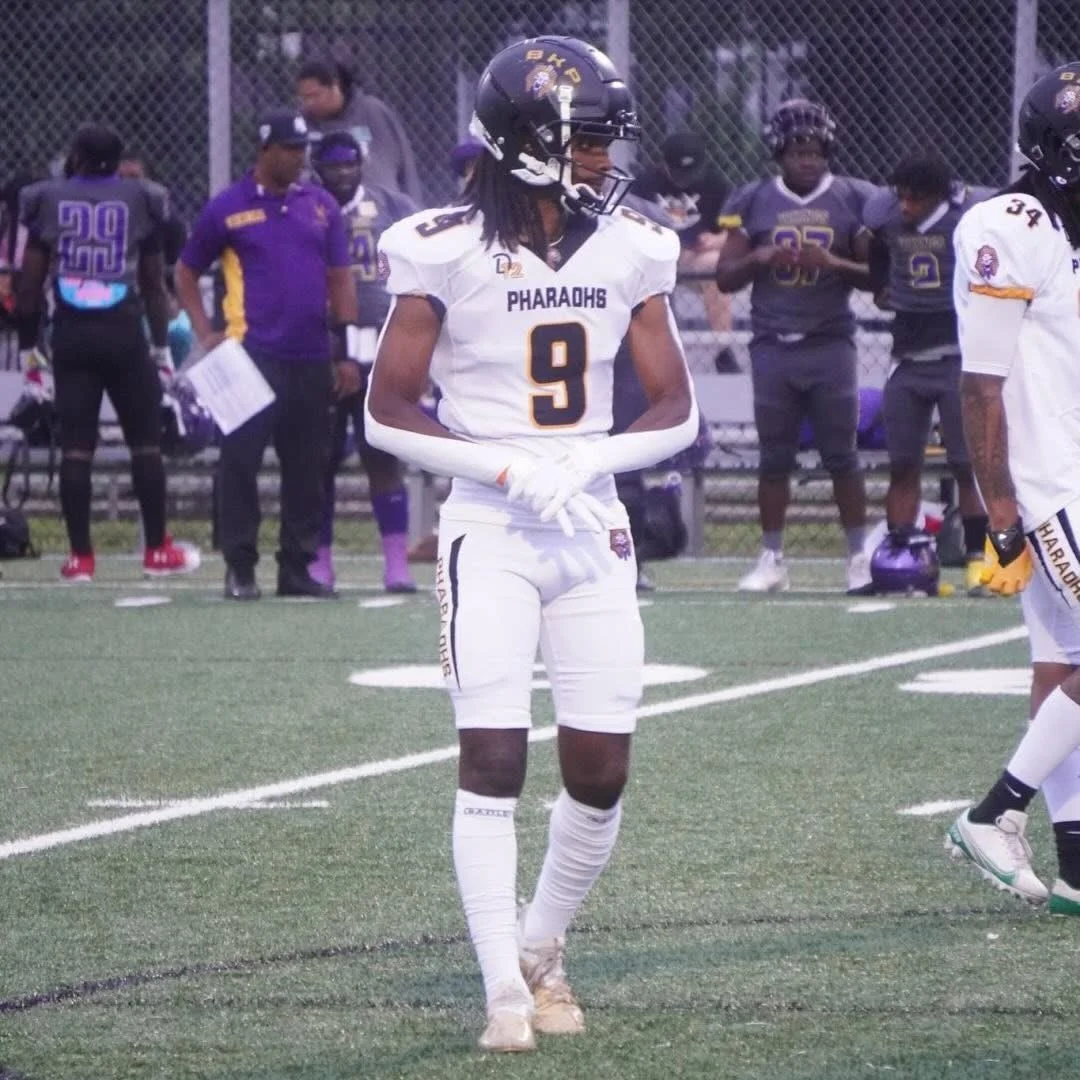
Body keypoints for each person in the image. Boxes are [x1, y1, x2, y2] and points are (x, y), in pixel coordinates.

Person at [363, 35, 698, 1052]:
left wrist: (592, 454)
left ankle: (540, 947)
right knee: (493, 756)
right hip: (491, 525)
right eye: (587, 138)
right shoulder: (442, 245)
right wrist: (502, 464)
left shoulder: (634, 244)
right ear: (529, 141)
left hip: (590, 520)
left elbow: (679, 408)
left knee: (600, 770)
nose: (604, 157)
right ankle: (501, 993)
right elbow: (386, 410)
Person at [943, 61, 1080, 915]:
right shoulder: (1010, 223)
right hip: (1045, 481)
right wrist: (999, 505)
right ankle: (994, 814)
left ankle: (1074, 860)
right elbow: (980, 385)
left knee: (1061, 661)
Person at [174, 110, 362, 601]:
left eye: (304, 149)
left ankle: (296, 567)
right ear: (266, 151)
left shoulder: (320, 206)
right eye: (291, 149)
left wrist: (346, 353)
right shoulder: (228, 207)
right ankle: (240, 567)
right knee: (239, 463)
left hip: (309, 355)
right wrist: (204, 330)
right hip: (249, 356)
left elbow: (340, 279)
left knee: (308, 466)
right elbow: (186, 271)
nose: (300, 159)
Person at [15, 124, 198, 581]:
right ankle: (156, 550)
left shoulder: (47, 198)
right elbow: (155, 287)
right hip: (122, 329)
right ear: (119, 160)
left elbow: (29, 284)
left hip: (72, 333)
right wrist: (160, 347)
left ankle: (80, 558)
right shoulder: (142, 198)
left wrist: (27, 351)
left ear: (75, 155)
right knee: (145, 446)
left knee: (77, 450)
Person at [714, 99, 877, 594]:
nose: (807, 160)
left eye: (815, 151)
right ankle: (772, 557)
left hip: (830, 341)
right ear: (779, 154)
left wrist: (833, 263)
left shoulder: (853, 197)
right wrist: (761, 255)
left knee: (841, 456)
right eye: (797, 151)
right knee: (774, 457)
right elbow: (723, 278)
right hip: (772, 344)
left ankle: (857, 557)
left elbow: (876, 277)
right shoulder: (753, 199)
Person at [864, 154, 990, 595]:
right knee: (902, 464)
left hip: (956, 356)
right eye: (901, 196)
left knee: (965, 464)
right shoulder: (888, 217)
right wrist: (882, 283)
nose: (904, 206)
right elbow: (870, 248)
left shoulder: (966, 220)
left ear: (936, 196)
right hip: (909, 358)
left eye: (914, 198)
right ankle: (902, 552)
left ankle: (978, 557)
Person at [308, 130, 418, 592]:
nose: (342, 174)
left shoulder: (391, 206)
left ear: (362, 163)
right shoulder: (307, 206)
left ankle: (396, 560)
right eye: (332, 167)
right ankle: (320, 559)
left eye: (349, 164)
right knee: (321, 459)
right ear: (318, 168)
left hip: (379, 340)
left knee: (381, 453)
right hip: (322, 343)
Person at [632, 132, 736, 371]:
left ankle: (723, 350)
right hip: (655, 256)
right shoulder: (644, 185)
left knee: (716, 266)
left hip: (692, 256)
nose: (685, 180)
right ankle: (648, 354)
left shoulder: (715, 184)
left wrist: (716, 239)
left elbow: (736, 231)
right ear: (663, 165)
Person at [297, 58, 423, 205]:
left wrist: (415, 210)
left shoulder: (373, 112)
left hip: (378, 211)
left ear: (335, 86)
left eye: (314, 95)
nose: (308, 103)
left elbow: (406, 169)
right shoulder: (301, 122)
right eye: (304, 98)